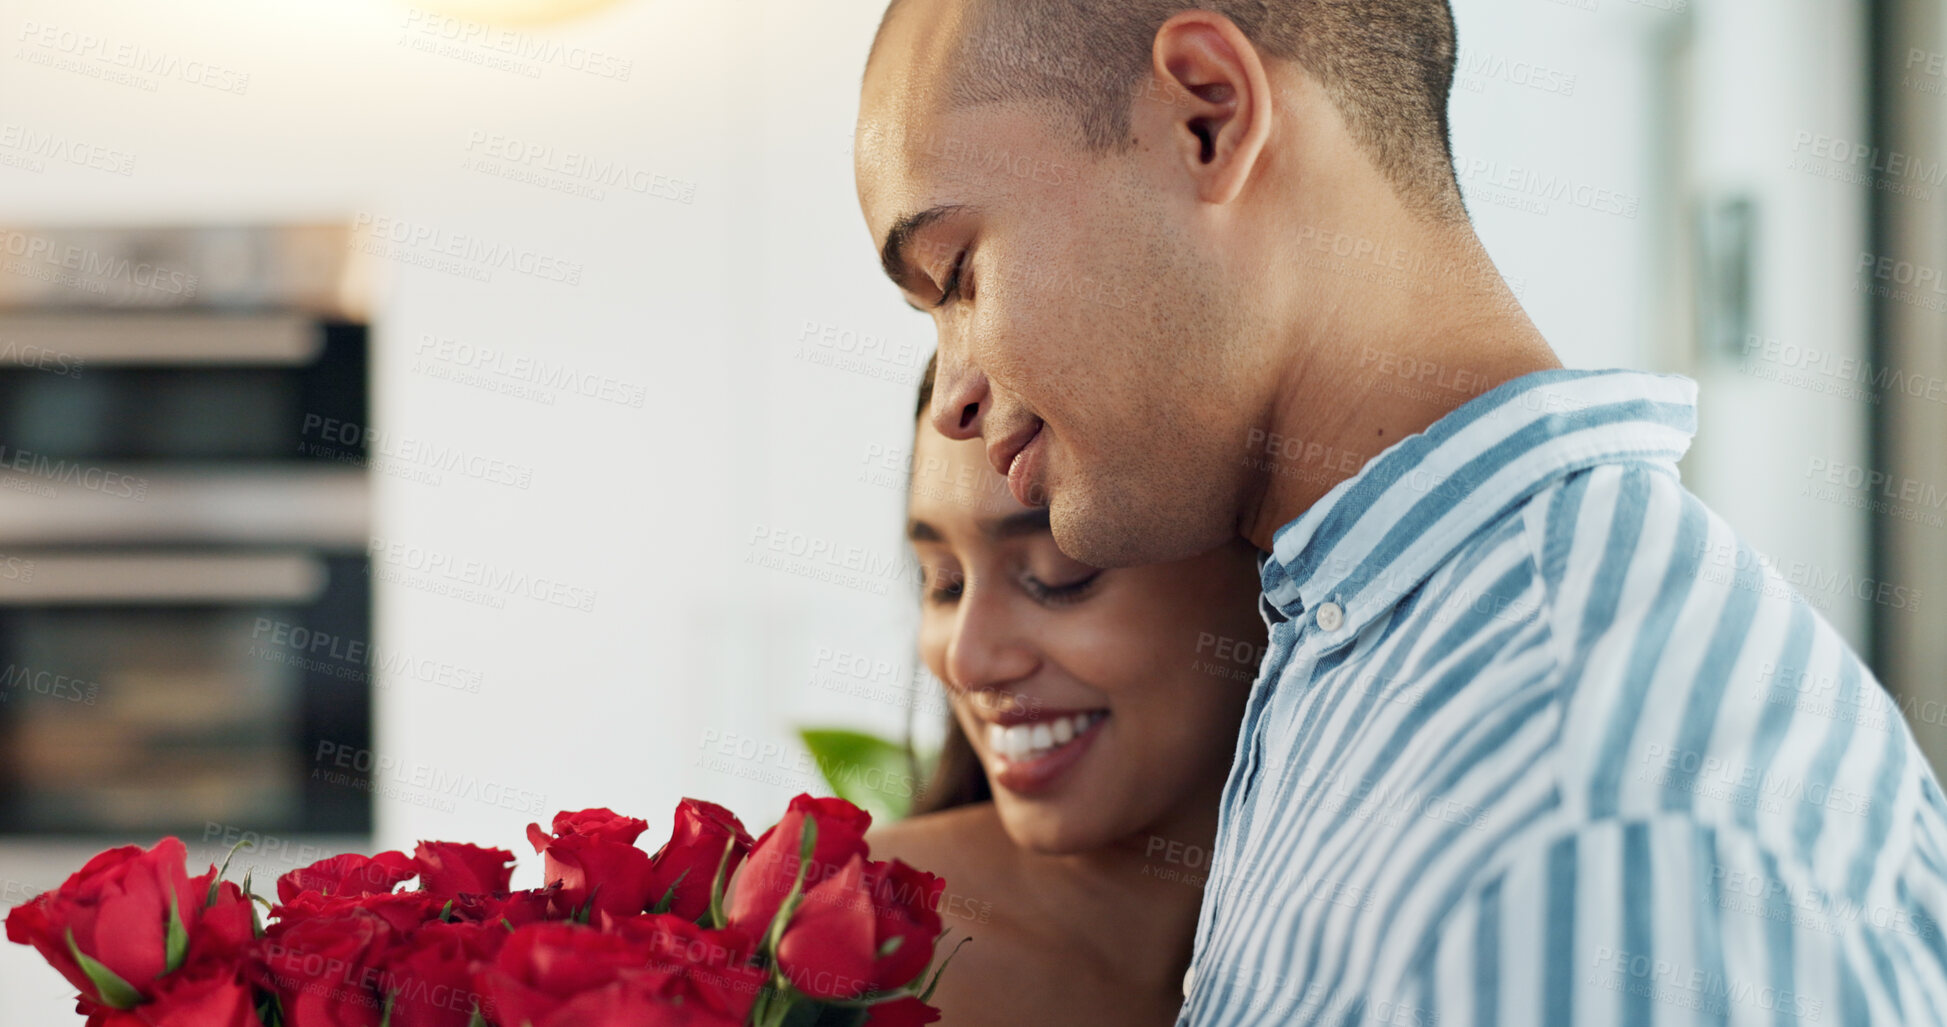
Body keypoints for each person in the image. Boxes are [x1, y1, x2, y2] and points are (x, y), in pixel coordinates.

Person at [853, 1, 1947, 1023]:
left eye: (957, 275)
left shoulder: (1593, 826)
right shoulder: (1363, 660)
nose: (950, 397)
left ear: (1206, 116)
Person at [868, 354, 1267, 1026]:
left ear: (1266, 560)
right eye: (943, 581)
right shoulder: (830, 930)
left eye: (1058, 572)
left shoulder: (1404, 934)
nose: (967, 661)